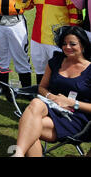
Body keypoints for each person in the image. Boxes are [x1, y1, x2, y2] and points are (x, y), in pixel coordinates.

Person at [13, 26, 91, 157]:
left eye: (73, 44)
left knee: (29, 129)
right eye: (64, 44)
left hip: (77, 118)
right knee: (36, 104)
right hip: (52, 107)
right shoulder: (56, 62)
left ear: (83, 45)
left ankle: (18, 153)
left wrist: (72, 102)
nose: (67, 47)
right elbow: (42, 87)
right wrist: (52, 97)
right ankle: (18, 154)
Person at [15, 0, 81, 84]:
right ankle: (41, 96)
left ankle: (57, 100)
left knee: (59, 71)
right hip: (37, 38)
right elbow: (26, 7)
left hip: (58, 39)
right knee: (40, 70)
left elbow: (75, 14)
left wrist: (73, 38)